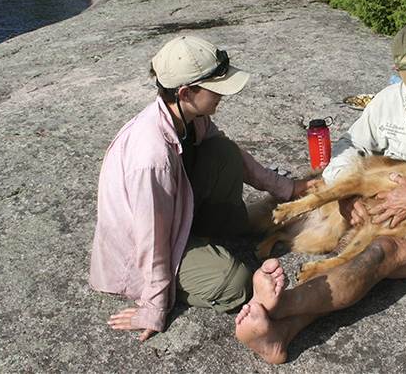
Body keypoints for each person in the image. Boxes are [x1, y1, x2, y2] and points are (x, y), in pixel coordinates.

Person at [235, 22, 406, 364]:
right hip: (382, 205)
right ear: (399, 72)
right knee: (326, 212)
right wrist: (347, 196)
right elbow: (348, 146)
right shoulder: (388, 102)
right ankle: (280, 336)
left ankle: (280, 307)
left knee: (380, 252)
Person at [89, 35, 312, 341]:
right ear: (185, 92)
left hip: (176, 218)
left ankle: (206, 237)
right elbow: (150, 238)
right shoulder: (151, 156)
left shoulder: (190, 116)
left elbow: (238, 161)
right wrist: (154, 307)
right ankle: (192, 267)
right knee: (235, 283)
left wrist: (288, 188)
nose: (224, 95)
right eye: (216, 89)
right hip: (146, 246)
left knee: (225, 153)